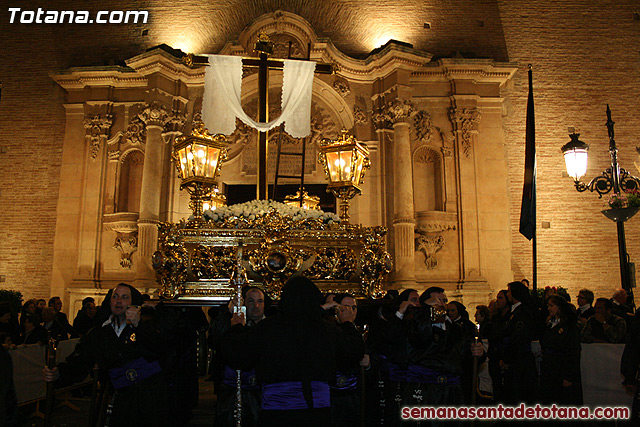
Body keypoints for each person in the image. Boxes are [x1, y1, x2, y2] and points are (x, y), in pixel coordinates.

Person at [222, 277, 364, 427]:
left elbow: (236, 354)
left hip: (277, 414)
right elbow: (353, 352)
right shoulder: (327, 329)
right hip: (316, 413)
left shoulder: (267, 328)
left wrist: (237, 328)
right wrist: (348, 323)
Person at [42, 283, 177, 426]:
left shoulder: (148, 326)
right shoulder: (99, 333)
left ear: (133, 304)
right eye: (115, 297)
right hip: (121, 397)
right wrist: (58, 374)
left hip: (152, 396)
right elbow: (80, 362)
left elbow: (162, 351)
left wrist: (140, 326)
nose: (119, 301)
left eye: (125, 297)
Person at [212, 286, 267, 427]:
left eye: (260, 301)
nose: (256, 306)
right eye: (251, 301)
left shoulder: (270, 327)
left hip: (261, 395)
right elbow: (216, 341)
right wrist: (227, 315)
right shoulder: (233, 324)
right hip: (232, 394)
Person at [497, 281, 538, 404]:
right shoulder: (514, 312)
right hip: (515, 359)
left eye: (509, 291)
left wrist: (507, 359)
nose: (507, 294)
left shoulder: (522, 313)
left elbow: (517, 338)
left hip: (519, 361)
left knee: (519, 396)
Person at [330, 293, 366, 427]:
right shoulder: (330, 330)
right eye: (346, 307)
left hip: (354, 396)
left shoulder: (359, 330)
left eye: (354, 308)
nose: (351, 312)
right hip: (332, 397)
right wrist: (347, 323)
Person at [539, 295, 582, 405]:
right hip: (550, 367)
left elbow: (573, 352)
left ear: (560, 307)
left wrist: (568, 376)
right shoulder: (550, 324)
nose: (548, 308)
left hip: (561, 367)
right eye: (548, 305)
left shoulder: (569, 326)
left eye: (552, 305)